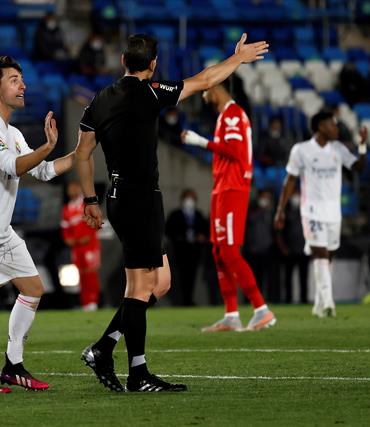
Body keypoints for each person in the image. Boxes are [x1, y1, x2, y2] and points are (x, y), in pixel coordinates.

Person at [76, 33, 269, 392]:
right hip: (139, 199)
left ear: (122, 62)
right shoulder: (151, 92)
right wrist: (237, 58)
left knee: (160, 283)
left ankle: (104, 347)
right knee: (140, 288)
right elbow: (206, 80)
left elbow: (83, 154)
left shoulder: (99, 100)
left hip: (121, 198)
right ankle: (137, 373)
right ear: (153, 64)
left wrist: (90, 200)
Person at [0, 56, 75, 392]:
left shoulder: (13, 132)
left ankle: (13, 365)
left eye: (22, 79)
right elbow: (13, 166)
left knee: (34, 289)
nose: (23, 86)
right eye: (14, 80)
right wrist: (48, 146)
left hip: (1, 229)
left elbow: (43, 171)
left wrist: (79, 154)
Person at [181, 77, 276, 333]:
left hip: (233, 188)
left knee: (230, 251)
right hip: (222, 187)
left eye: (205, 88)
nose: (203, 94)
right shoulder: (226, 116)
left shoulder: (233, 115)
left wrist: (199, 141)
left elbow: (234, 151)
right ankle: (232, 315)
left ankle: (261, 309)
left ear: (217, 88)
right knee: (219, 251)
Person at [274, 111, 367, 317]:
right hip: (312, 211)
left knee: (328, 256)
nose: (336, 128)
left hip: (334, 212)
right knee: (320, 253)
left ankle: (318, 303)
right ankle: (328, 303)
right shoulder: (301, 150)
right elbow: (290, 180)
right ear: (320, 127)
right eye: (332, 124)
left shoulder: (338, 149)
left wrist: (362, 145)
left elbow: (359, 167)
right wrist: (280, 209)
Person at [61, 180, 101, 311]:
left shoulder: (86, 205)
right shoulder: (67, 209)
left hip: (90, 245)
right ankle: (85, 303)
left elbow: (95, 222)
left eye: (74, 188)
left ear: (79, 189)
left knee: (91, 272)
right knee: (80, 273)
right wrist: (68, 239)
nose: (72, 191)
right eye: (70, 188)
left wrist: (89, 235)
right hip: (77, 247)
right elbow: (66, 229)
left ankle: (93, 301)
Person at [165, 189, 209, 306]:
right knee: (179, 277)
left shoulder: (198, 214)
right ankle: (180, 300)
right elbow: (168, 230)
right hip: (180, 251)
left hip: (194, 252)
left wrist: (201, 237)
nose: (190, 201)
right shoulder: (175, 215)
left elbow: (206, 231)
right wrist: (180, 237)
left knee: (192, 277)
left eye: (192, 198)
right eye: (188, 198)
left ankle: (188, 300)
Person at [244, 189, 280, 302]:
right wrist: (261, 210)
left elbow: (277, 230)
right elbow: (247, 221)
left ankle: (269, 300)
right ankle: (251, 300)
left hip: (268, 250)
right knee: (253, 278)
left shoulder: (273, 212)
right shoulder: (251, 210)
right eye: (264, 197)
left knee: (270, 278)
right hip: (252, 250)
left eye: (268, 198)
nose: (266, 200)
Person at [274, 188, 310, 304]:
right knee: (288, 278)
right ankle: (288, 299)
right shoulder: (284, 211)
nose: (296, 197)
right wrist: (283, 248)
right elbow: (279, 232)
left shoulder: (307, 210)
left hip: (303, 249)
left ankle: (303, 299)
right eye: (294, 194)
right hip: (289, 250)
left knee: (304, 277)